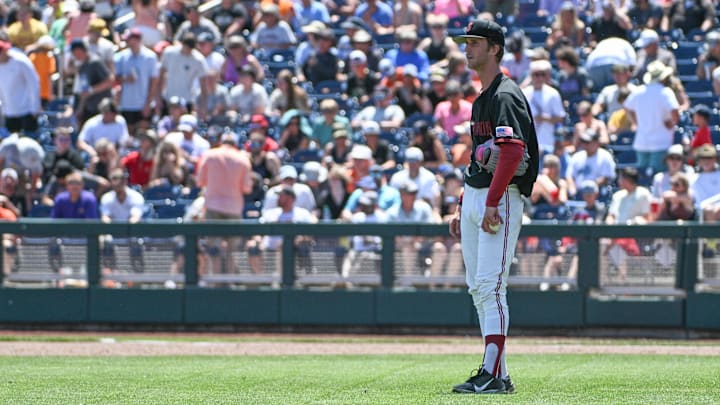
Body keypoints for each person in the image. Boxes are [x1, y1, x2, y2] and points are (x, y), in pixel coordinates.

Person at [448, 18, 539, 395]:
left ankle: (490, 373)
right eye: (466, 41)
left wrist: (490, 201)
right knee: (478, 288)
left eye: (475, 42)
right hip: (477, 195)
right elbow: (477, 157)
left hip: (497, 199)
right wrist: (460, 202)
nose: (467, 48)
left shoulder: (505, 94)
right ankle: (497, 374)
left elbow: (514, 151)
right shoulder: (483, 97)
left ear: (495, 48)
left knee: (491, 285)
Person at [196, 132, 253, 274]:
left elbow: (200, 182)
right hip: (234, 207)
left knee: (214, 247)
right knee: (232, 249)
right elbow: (247, 188)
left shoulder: (209, 155)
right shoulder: (242, 159)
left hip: (213, 206)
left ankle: (215, 280)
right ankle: (230, 281)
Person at [624, 60, 680, 174]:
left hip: (642, 142)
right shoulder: (665, 92)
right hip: (661, 142)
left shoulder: (638, 91)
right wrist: (672, 122)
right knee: (658, 177)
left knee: (643, 178)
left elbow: (627, 107)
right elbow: (675, 112)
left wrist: (636, 122)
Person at [0, 34, 41, 134]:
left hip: (27, 111)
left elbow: (34, 83)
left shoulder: (21, 61)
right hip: (9, 112)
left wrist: (34, 108)